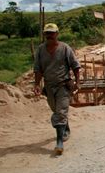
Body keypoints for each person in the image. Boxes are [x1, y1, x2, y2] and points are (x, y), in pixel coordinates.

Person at [33, 23, 81, 155]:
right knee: (56, 109)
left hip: (63, 85)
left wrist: (77, 82)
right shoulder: (41, 50)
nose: (49, 36)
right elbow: (38, 69)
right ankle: (65, 127)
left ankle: (59, 143)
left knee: (60, 111)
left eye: (52, 33)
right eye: (47, 33)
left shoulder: (65, 48)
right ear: (44, 35)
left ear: (57, 34)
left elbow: (75, 66)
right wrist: (37, 84)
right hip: (49, 86)